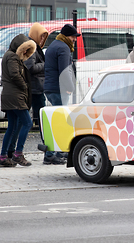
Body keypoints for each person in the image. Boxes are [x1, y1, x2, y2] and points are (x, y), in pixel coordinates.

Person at [0, 34, 36, 167]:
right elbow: (15, 75)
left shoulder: (9, 55)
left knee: (12, 127)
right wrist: (24, 86)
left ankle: (3, 157)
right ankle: (18, 154)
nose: (25, 52)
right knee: (27, 123)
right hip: (15, 96)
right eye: (24, 49)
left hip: (10, 96)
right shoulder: (13, 57)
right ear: (19, 47)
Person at [44, 24, 80, 164]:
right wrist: (70, 87)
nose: (74, 40)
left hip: (50, 88)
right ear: (66, 36)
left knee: (55, 121)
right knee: (60, 122)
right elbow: (64, 71)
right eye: (73, 37)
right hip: (59, 90)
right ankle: (53, 155)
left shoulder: (53, 45)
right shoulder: (63, 48)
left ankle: (55, 153)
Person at [25, 23, 48, 128]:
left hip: (36, 86)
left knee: (38, 112)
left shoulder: (34, 46)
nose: (43, 39)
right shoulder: (32, 47)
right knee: (41, 113)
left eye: (44, 36)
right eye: (41, 36)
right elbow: (31, 67)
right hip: (35, 86)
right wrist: (44, 65)